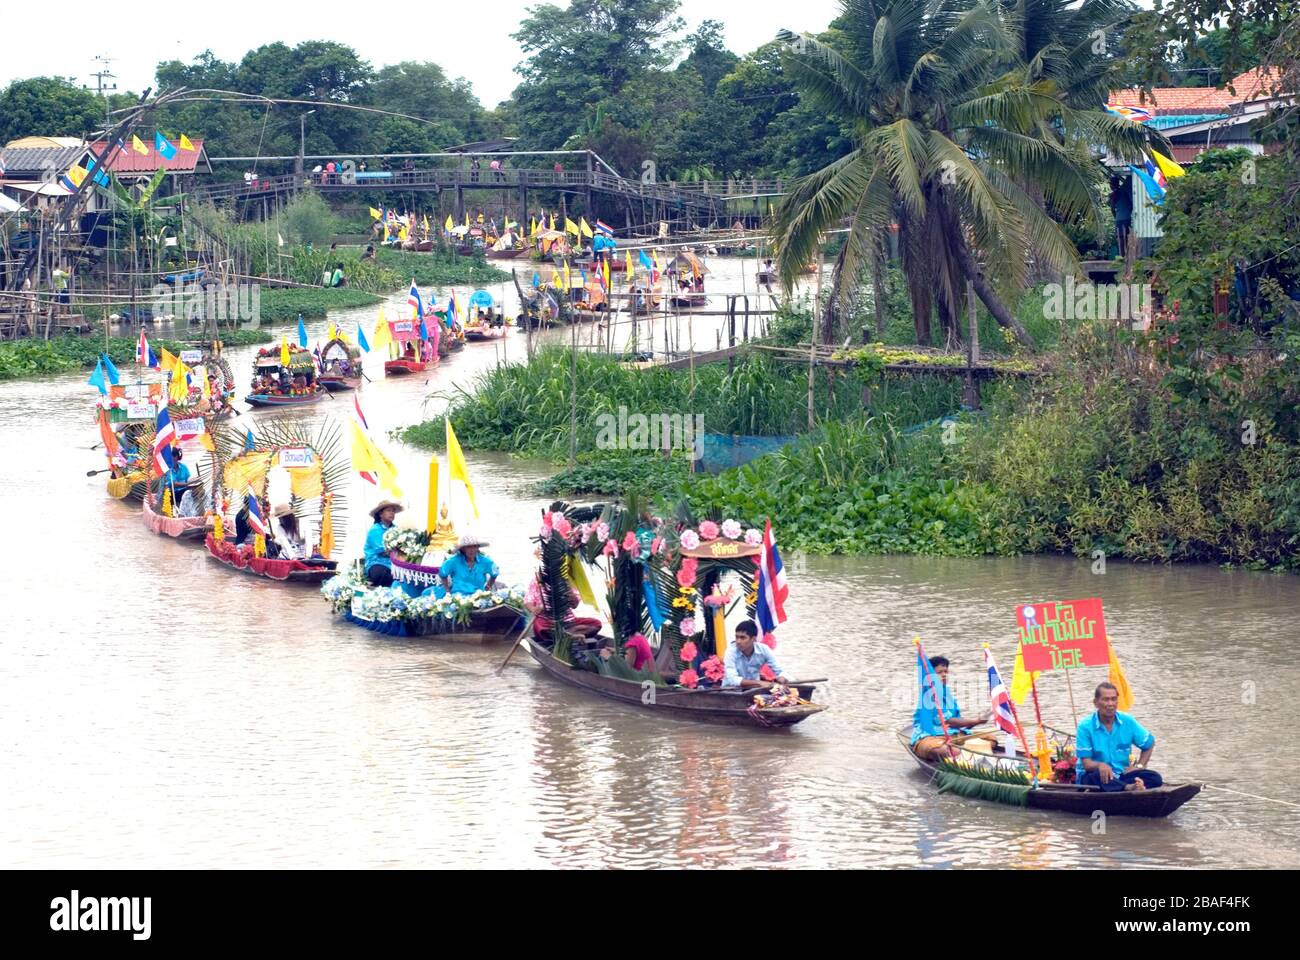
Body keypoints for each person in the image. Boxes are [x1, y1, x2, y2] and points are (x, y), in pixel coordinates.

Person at [1075, 682, 1163, 792]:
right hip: (1094, 777)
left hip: (1120, 775)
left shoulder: (1127, 721)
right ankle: (1128, 788)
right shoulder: (1085, 726)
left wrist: (1139, 766)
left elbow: (1149, 744)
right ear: (1096, 703)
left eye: (1113, 699)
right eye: (1106, 699)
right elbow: (1087, 764)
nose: (1110, 704)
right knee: (1097, 776)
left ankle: (1133, 785)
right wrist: (1101, 765)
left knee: (1155, 777)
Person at [910, 655, 991, 760]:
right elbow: (948, 721)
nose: (944, 675)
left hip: (952, 735)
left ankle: (965, 755)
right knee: (947, 750)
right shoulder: (928, 694)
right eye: (939, 672)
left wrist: (981, 719)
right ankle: (963, 756)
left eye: (946, 672)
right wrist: (976, 721)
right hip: (930, 736)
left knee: (990, 739)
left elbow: (958, 725)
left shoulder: (947, 694)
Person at [722, 619, 789, 689]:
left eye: (742, 638)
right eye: (737, 637)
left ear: (753, 639)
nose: (738, 641)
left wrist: (782, 678)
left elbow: (781, 671)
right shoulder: (731, 651)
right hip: (731, 691)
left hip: (754, 689)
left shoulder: (764, 649)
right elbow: (732, 679)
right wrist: (759, 683)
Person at [364, 500, 403, 586]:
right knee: (380, 574)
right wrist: (399, 551)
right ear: (380, 514)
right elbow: (383, 551)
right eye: (389, 511)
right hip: (377, 563)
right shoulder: (375, 530)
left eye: (393, 511)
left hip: (394, 564)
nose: (392, 513)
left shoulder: (397, 529)